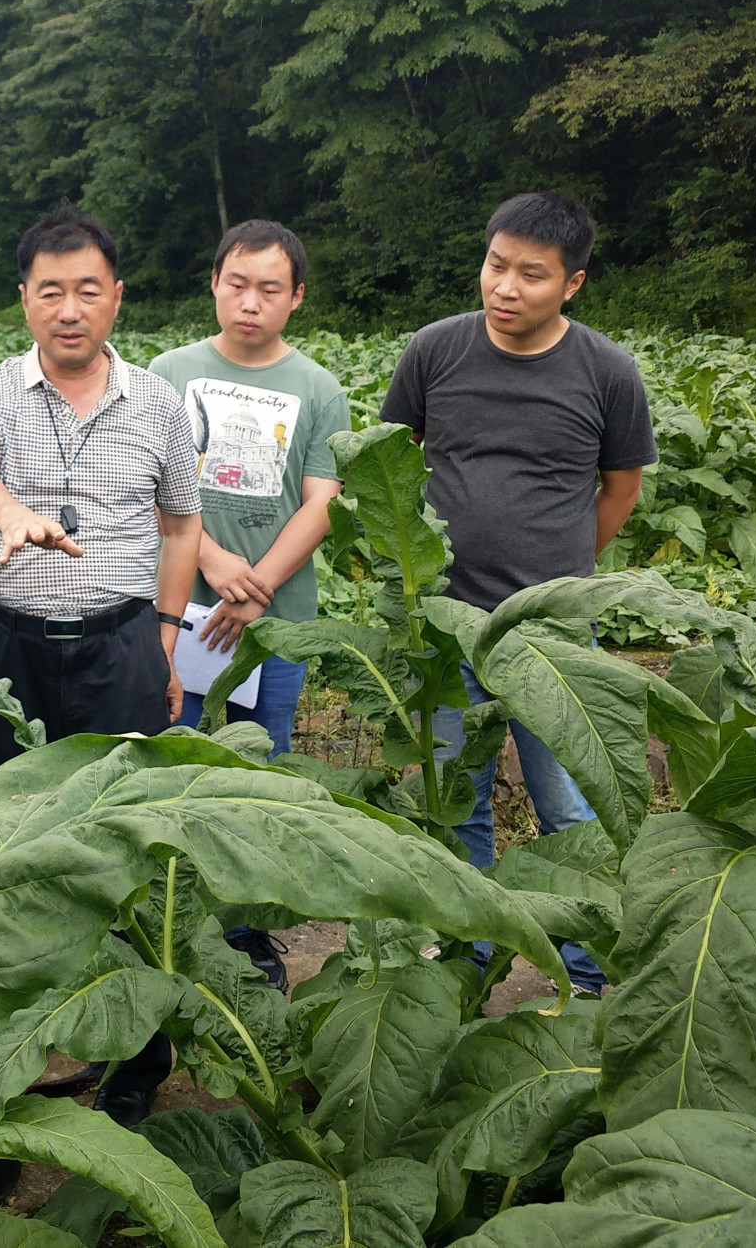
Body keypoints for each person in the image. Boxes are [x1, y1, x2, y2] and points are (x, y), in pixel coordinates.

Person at [0, 204, 202, 1130]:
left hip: (122, 643)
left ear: (117, 299)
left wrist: (165, 637)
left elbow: (181, 524)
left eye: (87, 289)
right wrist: (9, 513)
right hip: (10, 650)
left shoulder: (161, 406)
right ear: (24, 301)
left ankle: (135, 1054)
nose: (69, 308)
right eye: (49, 290)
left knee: (125, 846)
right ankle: (0, 1062)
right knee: (1, 849)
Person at [379, 190, 656, 994]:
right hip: (447, 624)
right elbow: (395, 465)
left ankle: (589, 973)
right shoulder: (435, 350)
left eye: (530, 275)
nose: (505, 287)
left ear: (571, 284)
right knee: (453, 799)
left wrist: (560, 578)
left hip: (554, 633)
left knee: (570, 804)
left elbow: (620, 490)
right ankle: (464, 962)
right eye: (496, 266)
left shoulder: (606, 370)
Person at [151, 220, 349, 755]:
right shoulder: (167, 373)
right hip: (177, 612)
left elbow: (322, 503)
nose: (250, 303)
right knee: (170, 758)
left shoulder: (319, 389)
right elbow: (145, 487)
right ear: (214, 281)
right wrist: (209, 559)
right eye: (237, 284)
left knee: (264, 762)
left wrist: (256, 588)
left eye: (270, 290)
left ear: (297, 297)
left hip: (276, 618)